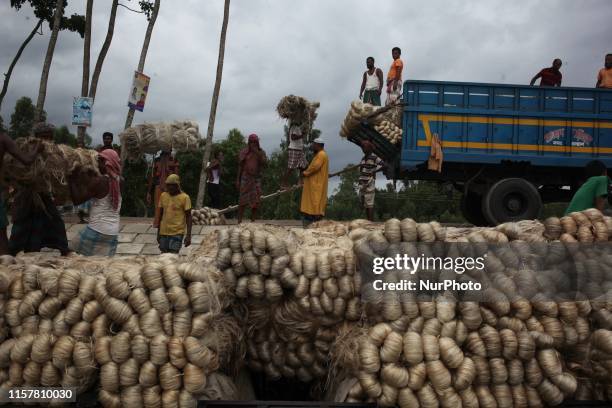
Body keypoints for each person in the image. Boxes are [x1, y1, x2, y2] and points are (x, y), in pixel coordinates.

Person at [9, 122, 70, 256]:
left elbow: (58, 172)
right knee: (22, 224)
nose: (46, 140)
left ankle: (63, 249)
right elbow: (20, 169)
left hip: (44, 195)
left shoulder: (55, 151)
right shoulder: (25, 147)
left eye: (49, 137)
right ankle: (12, 252)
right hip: (26, 196)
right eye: (43, 137)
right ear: (36, 136)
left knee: (55, 222)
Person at [69, 149, 122, 256]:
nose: (97, 164)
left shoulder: (100, 182)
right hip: (112, 232)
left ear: (106, 163)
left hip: (96, 230)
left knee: (69, 250)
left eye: (99, 161)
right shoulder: (120, 180)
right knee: (102, 264)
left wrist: (71, 178)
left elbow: (77, 200)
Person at [0, 131, 43, 255]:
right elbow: (27, 160)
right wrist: (37, 149)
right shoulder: (3, 138)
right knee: (1, 239)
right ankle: (5, 268)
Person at [157, 174, 192, 254]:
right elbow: (160, 215)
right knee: (163, 255)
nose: (170, 187)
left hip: (177, 232)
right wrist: (158, 233)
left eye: (172, 185)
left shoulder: (185, 198)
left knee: (173, 255)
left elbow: (189, 217)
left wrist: (188, 236)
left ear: (177, 186)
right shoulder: (163, 196)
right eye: (168, 185)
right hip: (164, 232)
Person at [237, 134, 267, 223]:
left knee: (256, 202)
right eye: (251, 142)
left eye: (255, 142)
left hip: (256, 179)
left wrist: (257, 152)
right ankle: (239, 221)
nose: (253, 144)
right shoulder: (244, 152)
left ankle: (253, 221)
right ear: (248, 142)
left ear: (257, 143)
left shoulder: (261, 152)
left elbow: (265, 164)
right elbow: (240, 166)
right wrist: (237, 180)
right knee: (242, 201)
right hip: (245, 179)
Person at [147, 150, 180, 227]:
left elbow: (152, 177)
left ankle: (157, 223)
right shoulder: (173, 160)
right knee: (169, 206)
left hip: (161, 186)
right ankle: (166, 224)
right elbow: (177, 176)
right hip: (169, 187)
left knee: (159, 206)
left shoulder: (158, 160)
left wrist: (149, 192)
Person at [300, 138, 329, 227]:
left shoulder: (321, 155)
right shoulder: (321, 155)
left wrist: (305, 173)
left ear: (319, 145)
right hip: (314, 184)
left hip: (316, 185)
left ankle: (313, 223)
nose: (312, 146)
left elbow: (315, 167)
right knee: (313, 204)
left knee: (314, 204)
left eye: (314, 144)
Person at [359, 139, 385, 221]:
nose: (363, 149)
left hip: (369, 182)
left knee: (369, 203)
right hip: (362, 183)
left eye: (365, 147)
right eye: (362, 147)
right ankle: (368, 221)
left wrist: (375, 171)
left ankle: (371, 222)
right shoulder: (363, 158)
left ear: (370, 148)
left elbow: (384, 165)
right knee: (364, 203)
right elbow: (361, 170)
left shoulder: (374, 157)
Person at [281, 122, 308, 189]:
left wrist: (303, 132)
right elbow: (293, 137)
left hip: (299, 150)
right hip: (294, 149)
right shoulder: (295, 127)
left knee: (303, 165)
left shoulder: (297, 128)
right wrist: (302, 135)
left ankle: (300, 181)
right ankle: (284, 184)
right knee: (291, 167)